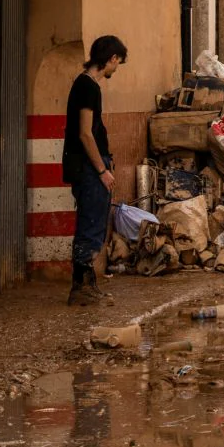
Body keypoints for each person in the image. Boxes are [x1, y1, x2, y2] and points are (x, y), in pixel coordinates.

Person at [63, 35, 127, 307]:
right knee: (91, 223)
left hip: (87, 165)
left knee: (94, 221)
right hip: (88, 166)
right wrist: (102, 170)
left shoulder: (84, 85)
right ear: (111, 59)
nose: (116, 69)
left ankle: (88, 284)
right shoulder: (88, 87)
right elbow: (85, 133)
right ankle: (81, 287)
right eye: (118, 63)